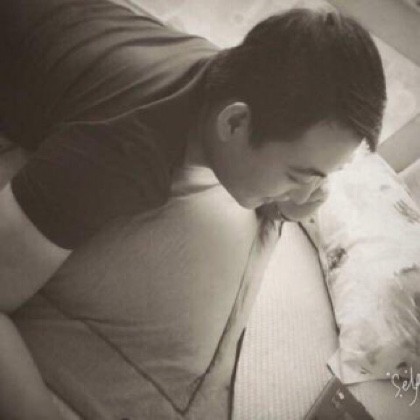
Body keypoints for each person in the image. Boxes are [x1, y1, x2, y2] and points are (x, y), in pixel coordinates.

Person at [0, 1, 386, 418]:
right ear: (234, 123)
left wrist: (285, 200)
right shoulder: (121, 154)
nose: (312, 194)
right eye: (298, 174)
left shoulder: (230, 74)